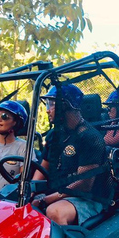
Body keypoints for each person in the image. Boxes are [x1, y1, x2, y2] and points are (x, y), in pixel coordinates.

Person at [31, 84, 109, 226]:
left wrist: (45, 199)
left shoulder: (90, 138)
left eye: (51, 105)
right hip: (58, 193)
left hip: (87, 198)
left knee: (54, 212)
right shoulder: (54, 135)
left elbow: (84, 185)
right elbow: (43, 168)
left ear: (65, 106)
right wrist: (30, 191)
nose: (47, 110)